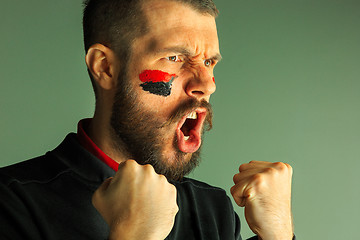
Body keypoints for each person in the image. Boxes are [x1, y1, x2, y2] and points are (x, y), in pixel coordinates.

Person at [0, 0, 295, 239]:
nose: (207, 84)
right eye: (176, 58)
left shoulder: (211, 209)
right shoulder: (12, 203)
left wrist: (279, 234)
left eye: (208, 62)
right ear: (105, 68)